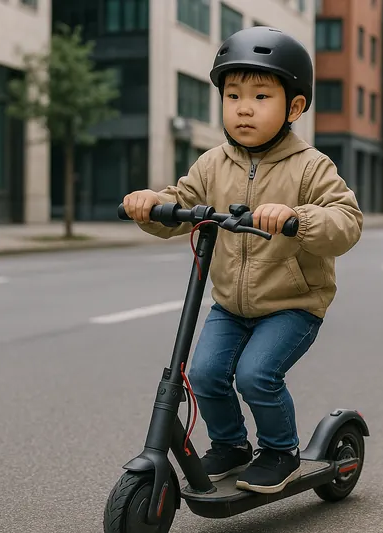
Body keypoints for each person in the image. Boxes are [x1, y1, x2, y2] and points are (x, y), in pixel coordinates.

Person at [122, 26, 363, 495]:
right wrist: (151, 204)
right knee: (205, 374)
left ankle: (279, 451)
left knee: (256, 375)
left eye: (259, 96)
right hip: (231, 304)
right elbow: (182, 201)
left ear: (294, 107)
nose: (244, 107)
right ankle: (231, 446)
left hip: (292, 304)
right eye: (233, 95)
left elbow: (346, 221)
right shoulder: (212, 163)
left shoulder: (311, 166)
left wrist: (297, 217)